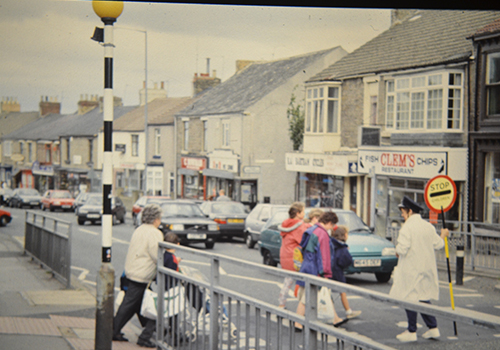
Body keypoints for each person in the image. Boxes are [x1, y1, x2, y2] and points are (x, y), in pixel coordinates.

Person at [389, 196, 450, 343]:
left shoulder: (407, 227)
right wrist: (443, 235)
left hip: (411, 268)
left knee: (410, 298)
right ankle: (433, 328)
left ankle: (411, 331)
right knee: (422, 297)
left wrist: (396, 249)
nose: (402, 216)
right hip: (426, 268)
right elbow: (439, 245)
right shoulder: (428, 226)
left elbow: (402, 249)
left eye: (403, 212)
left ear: (410, 211)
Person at [113, 204, 164, 348]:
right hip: (141, 275)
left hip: (132, 271)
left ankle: (147, 331)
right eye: (160, 218)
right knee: (131, 305)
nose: (160, 220)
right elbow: (156, 255)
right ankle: (114, 330)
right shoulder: (155, 233)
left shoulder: (139, 229)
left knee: (136, 304)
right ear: (155, 219)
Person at [295, 211, 346, 329]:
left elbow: (303, 248)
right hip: (316, 270)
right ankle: (297, 322)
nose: (332, 228)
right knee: (307, 297)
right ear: (328, 222)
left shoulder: (312, 230)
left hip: (307, 266)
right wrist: (326, 273)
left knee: (323, 294)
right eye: (332, 225)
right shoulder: (322, 234)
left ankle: (335, 318)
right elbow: (324, 256)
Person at [277, 202, 309, 308]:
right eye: (303, 211)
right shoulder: (299, 226)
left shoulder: (286, 223)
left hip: (285, 255)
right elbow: (303, 240)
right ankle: (305, 306)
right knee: (307, 282)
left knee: (287, 281)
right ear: (298, 213)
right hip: (295, 258)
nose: (305, 213)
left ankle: (281, 304)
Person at [330, 225, 362, 319]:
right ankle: (348, 311)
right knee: (342, 291)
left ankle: (332, 311)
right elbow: (347, 261)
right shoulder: (342, 248)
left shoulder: (331, 243)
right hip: (338, 271)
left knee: (327, 291)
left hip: (329, 269)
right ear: (344, 235)